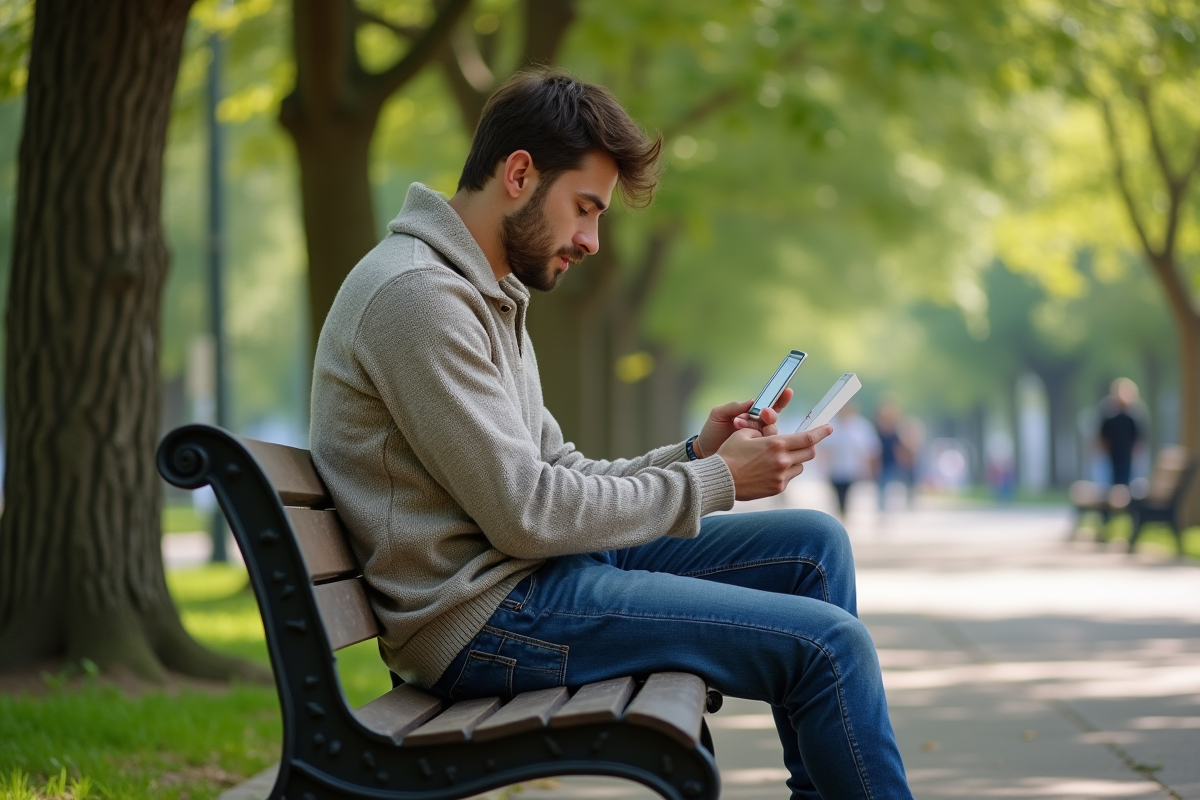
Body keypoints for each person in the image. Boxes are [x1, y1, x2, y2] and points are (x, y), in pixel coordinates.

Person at [309, 68, 912, 800]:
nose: (592, 241)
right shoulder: (420, 298)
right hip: (485, 620)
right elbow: (528, 512)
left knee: (813, 547)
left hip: (528, 579)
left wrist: (694, 455)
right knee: (830, 645)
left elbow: (557, 470)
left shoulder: (483, 291)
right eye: (585, 209)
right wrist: (716, 482)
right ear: (520, 175)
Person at [823, 402, 882, 517]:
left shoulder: (861, 426)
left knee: (848, 494)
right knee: (838, 494)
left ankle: (845, 513)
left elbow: (870, 449)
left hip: (852, 469)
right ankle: (841, 512)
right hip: (836, 468)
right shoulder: (832, 425)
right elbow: (826, 448)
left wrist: (870, 468)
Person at [1099, 378, 1142, 487]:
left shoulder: (1130, 420)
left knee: (1121, 480)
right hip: (1117, 455)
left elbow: (1137, 440)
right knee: (1119, 480)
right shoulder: (1113, 419)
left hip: (1123, 455)